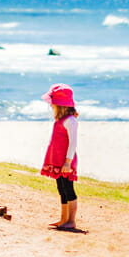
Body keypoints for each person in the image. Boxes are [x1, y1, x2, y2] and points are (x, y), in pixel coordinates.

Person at [40, 83, 80, 231]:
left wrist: (68, 162)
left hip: (66, 161)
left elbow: (73, 143)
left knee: (68, 188)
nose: (51, 107)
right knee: (61, 188)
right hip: (57, 160)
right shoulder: (60, 120)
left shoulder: (71, 121)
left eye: (53, 104)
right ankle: (64, 218)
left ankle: (71, 220)